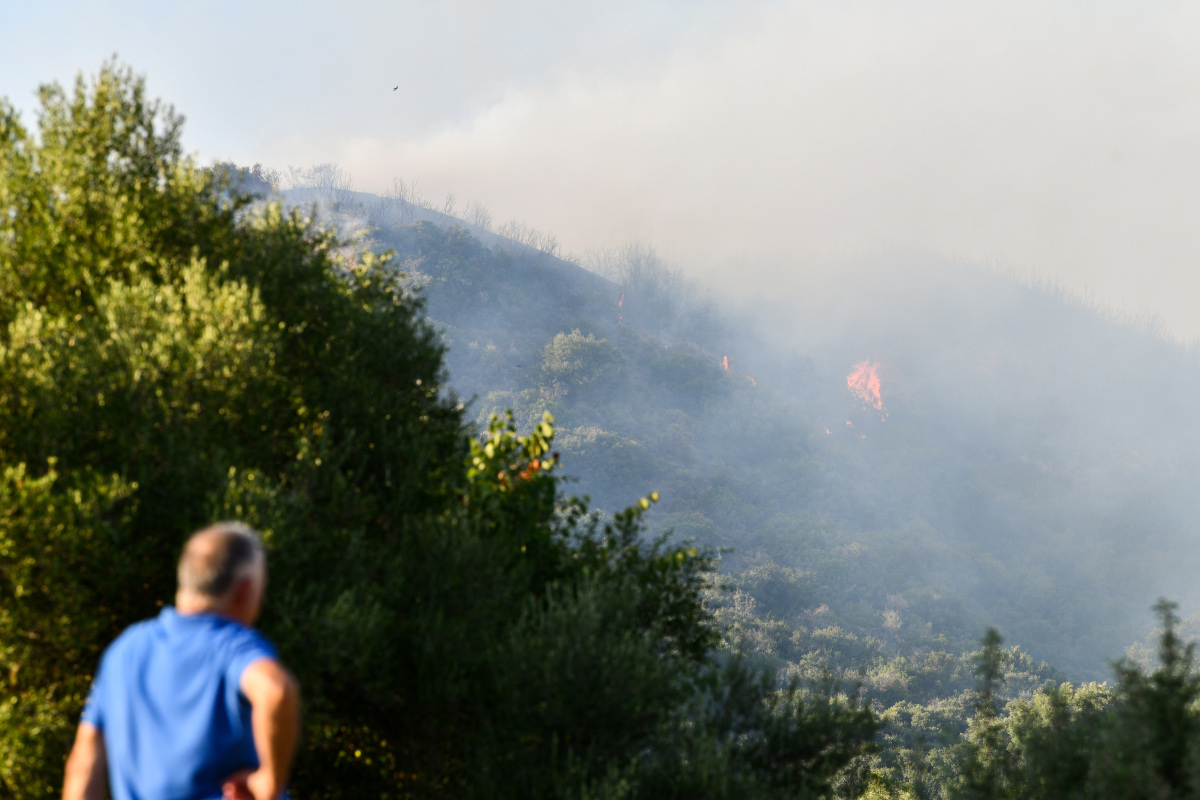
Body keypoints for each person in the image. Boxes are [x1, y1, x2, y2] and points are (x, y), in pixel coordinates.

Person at [62, 522, 300, 800]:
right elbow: (276, 690)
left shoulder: (123, 651)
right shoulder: (232, 645)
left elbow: (84, 764)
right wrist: (270, 781)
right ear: (245, 590)